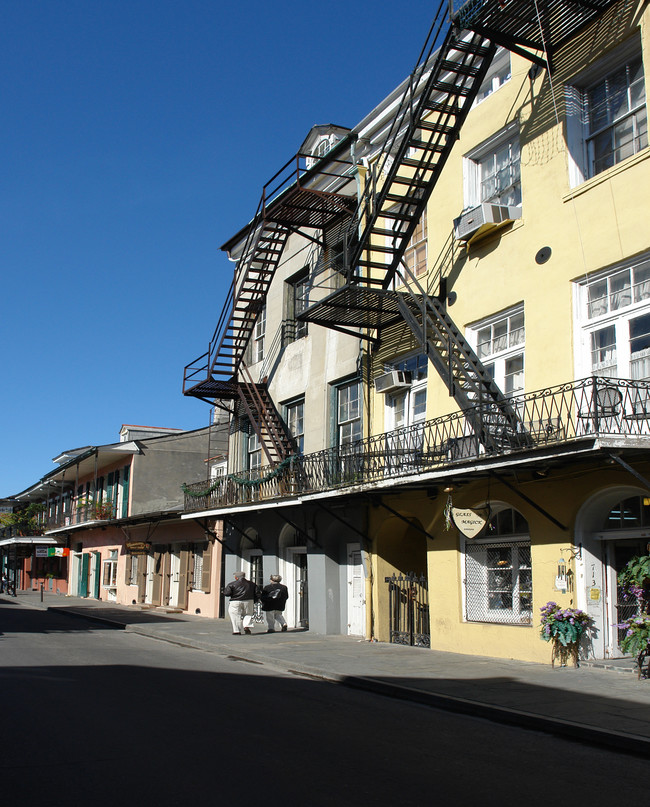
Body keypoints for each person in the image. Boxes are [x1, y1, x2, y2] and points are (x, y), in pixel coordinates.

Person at [223, 571, 259, 635]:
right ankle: (246, 626)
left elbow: (227, 593)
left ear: (236, 577)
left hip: (235, 601)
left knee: (235, 615)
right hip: (249, 600)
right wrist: (255, 600)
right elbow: (257, 593)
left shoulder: (232, 584)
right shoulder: (252, 584)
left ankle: (237, 630)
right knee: (248, 614)